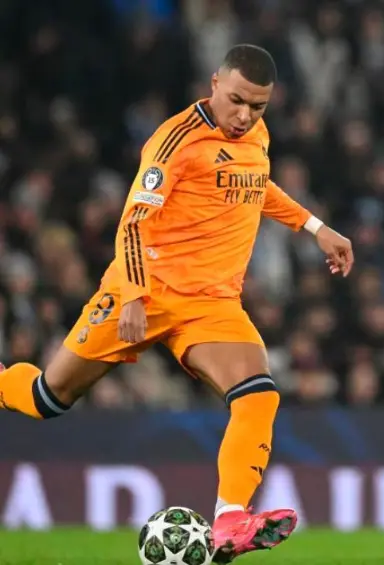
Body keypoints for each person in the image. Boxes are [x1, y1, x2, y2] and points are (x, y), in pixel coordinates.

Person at [0, 44, 354, 562]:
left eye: (257, 106)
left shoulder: (254, 135)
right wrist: (134, 296)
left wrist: (315, 227)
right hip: (141, 292)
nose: (244, 115)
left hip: (211, 304)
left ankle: (231, 518)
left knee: (258, 393)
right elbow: (133, 223)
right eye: (236, 100)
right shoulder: (174, 141)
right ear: (214, 82)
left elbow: (255, 186)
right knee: (45, 398)